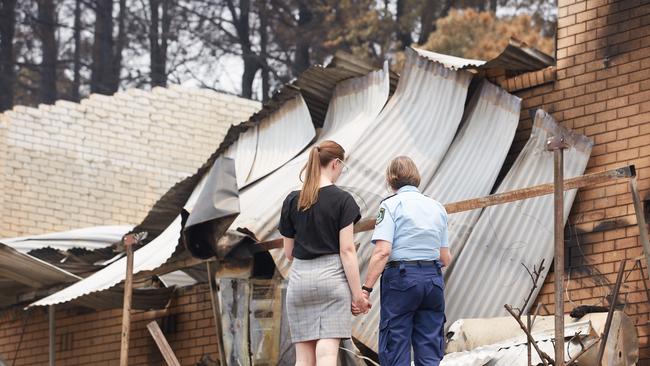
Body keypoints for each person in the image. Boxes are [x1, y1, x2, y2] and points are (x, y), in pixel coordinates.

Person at [279, 140, 371, 366]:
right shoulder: (343, 200)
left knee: (304, 358)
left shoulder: (292, 199)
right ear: (336, 164)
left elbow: (288, 253)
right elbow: (347, 251)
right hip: (331, 280)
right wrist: (358, 295)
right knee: (327, 354)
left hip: (300, 280)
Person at [359, 156, 452, 366]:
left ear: (391, 180)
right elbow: (445, 257)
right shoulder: (437, 207)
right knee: (430, 348)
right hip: (432, 280)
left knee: (396, 344)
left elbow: (383, 251)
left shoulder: (390, 205)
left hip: (401, 280)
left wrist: (366, 289)